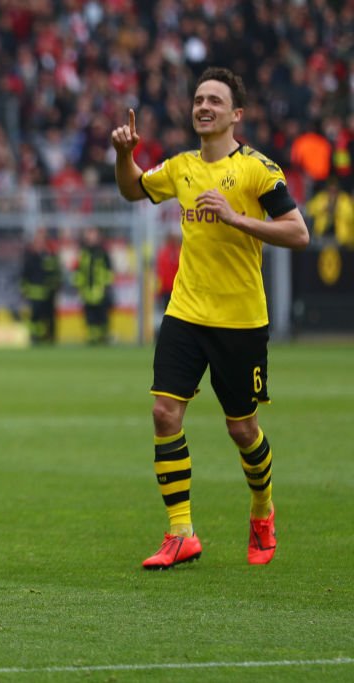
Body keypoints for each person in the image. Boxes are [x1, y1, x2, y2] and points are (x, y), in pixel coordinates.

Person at [111, 66, 309, 569]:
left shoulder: (258, 170)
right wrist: (124, 155)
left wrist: (237, 217)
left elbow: (298, 232)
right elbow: (133, 191)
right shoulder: (180, 167)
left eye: (215, 101)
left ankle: (262, 511)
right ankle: (181, 532)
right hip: (186, 312)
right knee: (163, 413)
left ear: (236, 114)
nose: (204, 107)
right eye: (199, 99)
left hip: (241, 319)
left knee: (242, 429)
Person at [73, 227, 114, 345]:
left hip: (100, 291)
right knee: (89, 318)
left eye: (92, 234)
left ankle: (102, 338)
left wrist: (106, 287)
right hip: (87, 291)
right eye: (89, 234)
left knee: (101, 317)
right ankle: (92, 339)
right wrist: (79, 287)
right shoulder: (83, 252)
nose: (90, 237)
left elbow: (108, 272)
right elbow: (79, 271)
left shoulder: (103, 253)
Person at [21, 227, 62, 345]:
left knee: (49, 316)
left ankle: (50, 337)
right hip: (34, 293)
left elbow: (55, 273)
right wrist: (24, 290)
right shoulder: (30, 256)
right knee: (35, 317)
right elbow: (24, 274)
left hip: (49, 292)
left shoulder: (50, 255)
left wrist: (55, 287)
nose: (39, 243)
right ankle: (35, 337)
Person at [305, 177, 354, 248]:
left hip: (340, 238)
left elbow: (350, 215)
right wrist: (323, 209)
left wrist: (337, 210)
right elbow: (309, 210)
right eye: (330, 190)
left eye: (334, 190)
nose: (332, 192)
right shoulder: (322, 198)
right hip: (322, 235)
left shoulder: (344, 199)